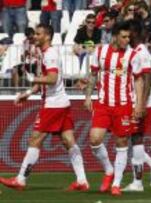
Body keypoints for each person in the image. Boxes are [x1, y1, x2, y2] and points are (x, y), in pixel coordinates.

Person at [0, 24, 89, 191]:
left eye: (39, 34)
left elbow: (52, 79)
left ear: (47, 37)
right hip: (61, 102)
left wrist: (32, 79)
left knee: (35, 139)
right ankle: (82, 181)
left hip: (53, 105)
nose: (35, 36)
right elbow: (46, 79)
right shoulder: (45, 54)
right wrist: (28, 92)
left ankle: (20, 180)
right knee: (68, 140)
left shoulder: (50, 55)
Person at [84, 21, 146, 196]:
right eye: (124, 37)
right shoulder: (100, 51)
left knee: (121, 143)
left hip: (123, 105)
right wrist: (88, 96)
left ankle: (116, 184)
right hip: (103, 104)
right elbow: (93, 74)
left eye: (129, 37)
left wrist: (139, 104)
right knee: (95, 139)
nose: (127, 40)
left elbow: (139, 80)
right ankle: (109, 170)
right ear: (115, 36)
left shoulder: (133, 55)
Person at [122, 19, 151, 192]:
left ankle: (137, 182)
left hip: (141, 102)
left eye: (128, 31)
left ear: (135, 33)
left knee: (136, 138)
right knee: (131, 137)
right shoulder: (133, 52)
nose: (125, 35)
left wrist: (141, 104)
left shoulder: (143, 53)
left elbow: (147, 80)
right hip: (132, 100)